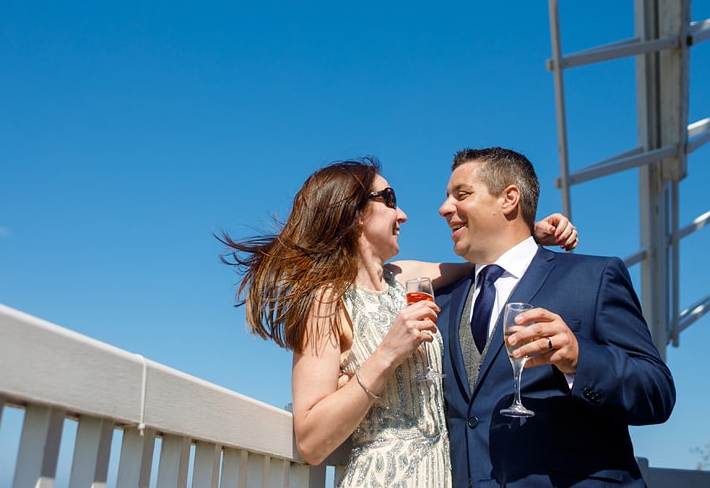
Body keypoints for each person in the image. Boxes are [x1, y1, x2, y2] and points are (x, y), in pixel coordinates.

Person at [218, 158, 577, 488]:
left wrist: (529, 236)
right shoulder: (327, 302)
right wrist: (388, 352)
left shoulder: (403, 279)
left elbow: (484, 261)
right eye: (388, 199)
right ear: (355, 212)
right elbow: (310, 440)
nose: (402, 214)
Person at [434, 147, 675, 488]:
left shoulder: (593, 278)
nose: (444, 209)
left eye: (462, 195)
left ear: (509, 199)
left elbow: (657, 392)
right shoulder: (442, 302)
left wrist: (579, 359)